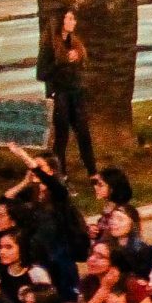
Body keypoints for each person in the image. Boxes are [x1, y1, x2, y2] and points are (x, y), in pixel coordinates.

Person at [45, 10, 97, 178]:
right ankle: (61, 175)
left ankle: (93, 173)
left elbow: (81, 68)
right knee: (62, 137)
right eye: (69, 18)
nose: (73, 22)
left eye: (74, 19)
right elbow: (41, 73)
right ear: (61, 21)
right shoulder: (50, 45)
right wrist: (62, 62)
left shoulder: (75, 43)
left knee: (84, 133)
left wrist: (78, 57)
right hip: (59, 95)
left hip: (76, 94)